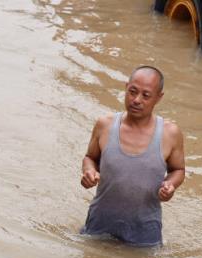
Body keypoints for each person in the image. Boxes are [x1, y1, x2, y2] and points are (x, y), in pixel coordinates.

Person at [80, 65, 186, 246]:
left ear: (158, 98)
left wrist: (170, 185)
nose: (136, 100)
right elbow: (90, 158)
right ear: (126, 87)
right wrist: (88, 172)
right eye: (132, 92)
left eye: (146, 95)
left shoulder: (170, 133)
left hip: (144, 232)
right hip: (99, 224)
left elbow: (178, 169)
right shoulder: (104, 125)